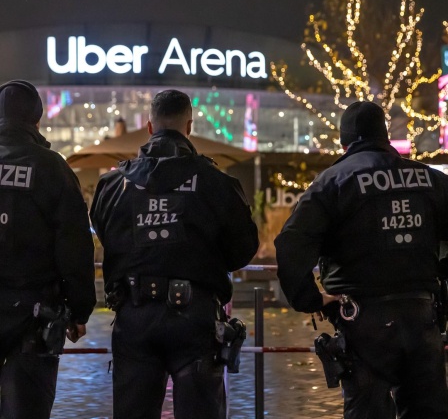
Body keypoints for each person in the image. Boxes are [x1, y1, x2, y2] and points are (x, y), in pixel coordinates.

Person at [90, 89, 259, 419]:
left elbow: (104, 234)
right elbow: (243, 250)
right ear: (189, 126)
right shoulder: (216, 183)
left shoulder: (112, 186)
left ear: (150, 127)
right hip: (195, 319)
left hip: (133, 316)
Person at [275, 100, 448, 419]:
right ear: (385, 136)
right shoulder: (431, 180)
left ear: (344, 142)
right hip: (423, 319)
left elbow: (290, 244)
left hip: (363, 324)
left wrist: (311, 299)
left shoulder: (332, 182)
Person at [0, 80, 97, 419]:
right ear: (37, 121)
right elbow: (74, 246)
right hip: (33, 315)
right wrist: (80, 310)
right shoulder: (51, 168)